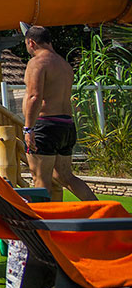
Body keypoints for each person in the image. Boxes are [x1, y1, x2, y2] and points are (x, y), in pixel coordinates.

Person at [22, 25, 97, 202]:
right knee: (64, 176)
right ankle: (104, 213)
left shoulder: (37, 63)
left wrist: (28, 128)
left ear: (31, 42)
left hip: (45, 126)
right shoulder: (63, 64)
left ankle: (43, 227)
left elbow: (34, 96)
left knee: (40, 179)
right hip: (66, 125)